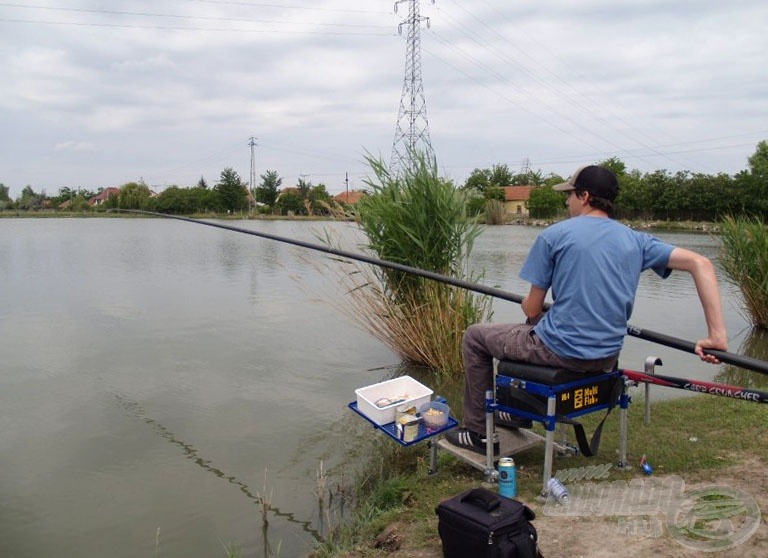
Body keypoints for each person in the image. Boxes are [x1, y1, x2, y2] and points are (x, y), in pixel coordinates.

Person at [446, 165, 728, 455]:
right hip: (606, 356)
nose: (567, 202)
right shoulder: (636, 240)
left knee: (476, 336)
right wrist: (716, 336)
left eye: (569, 195)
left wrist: (533, 308)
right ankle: (520, 411)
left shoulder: (553, 236)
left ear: (584, 196)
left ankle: (477, 432)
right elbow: (701, 264)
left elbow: (531, 307)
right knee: (535, 327)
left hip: (562, 351)